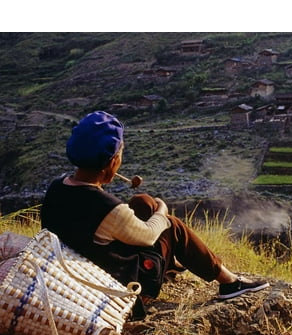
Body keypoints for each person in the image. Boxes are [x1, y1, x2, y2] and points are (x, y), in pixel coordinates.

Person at [40, 111, 269, 318]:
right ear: (112, 161)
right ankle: (229, 282)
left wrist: (148, 205)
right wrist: (162, 209)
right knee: (171, 225)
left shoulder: (57, 186)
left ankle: (173, 264)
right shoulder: (108, 209)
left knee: (142, 202)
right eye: (120, 153)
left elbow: (91, 212)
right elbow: (149, 235)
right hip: (120, 286)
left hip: (81, 272)